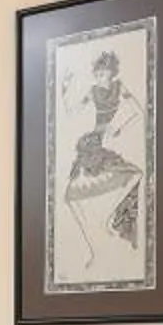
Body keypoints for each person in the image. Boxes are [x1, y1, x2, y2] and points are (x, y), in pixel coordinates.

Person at [61, 46, 144, 272]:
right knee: (72, 195)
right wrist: (64, 88)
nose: (99, 77)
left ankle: (111, 218)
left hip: (107, 138)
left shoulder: (119, 87)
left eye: (103, 73)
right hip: (93, 141)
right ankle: (94, 243)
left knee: (133, 174)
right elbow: (71, 112)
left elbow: (138, 110)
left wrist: (118, 128)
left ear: (111, 73)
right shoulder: (92, 91)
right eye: (96, 74)